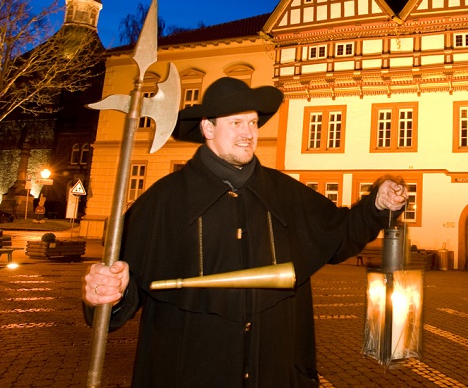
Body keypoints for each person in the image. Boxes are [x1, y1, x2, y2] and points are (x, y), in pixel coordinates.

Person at [82, 77, 408, 387]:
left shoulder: (285, 193)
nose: (248, 133)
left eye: (252, 122)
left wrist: (377, 203)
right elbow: (120, 292)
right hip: (189, 376)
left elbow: (342, 234)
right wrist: (110, 292)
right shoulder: (162, 202)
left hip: (276, 374)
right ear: (207, 128)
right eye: (235, 123)